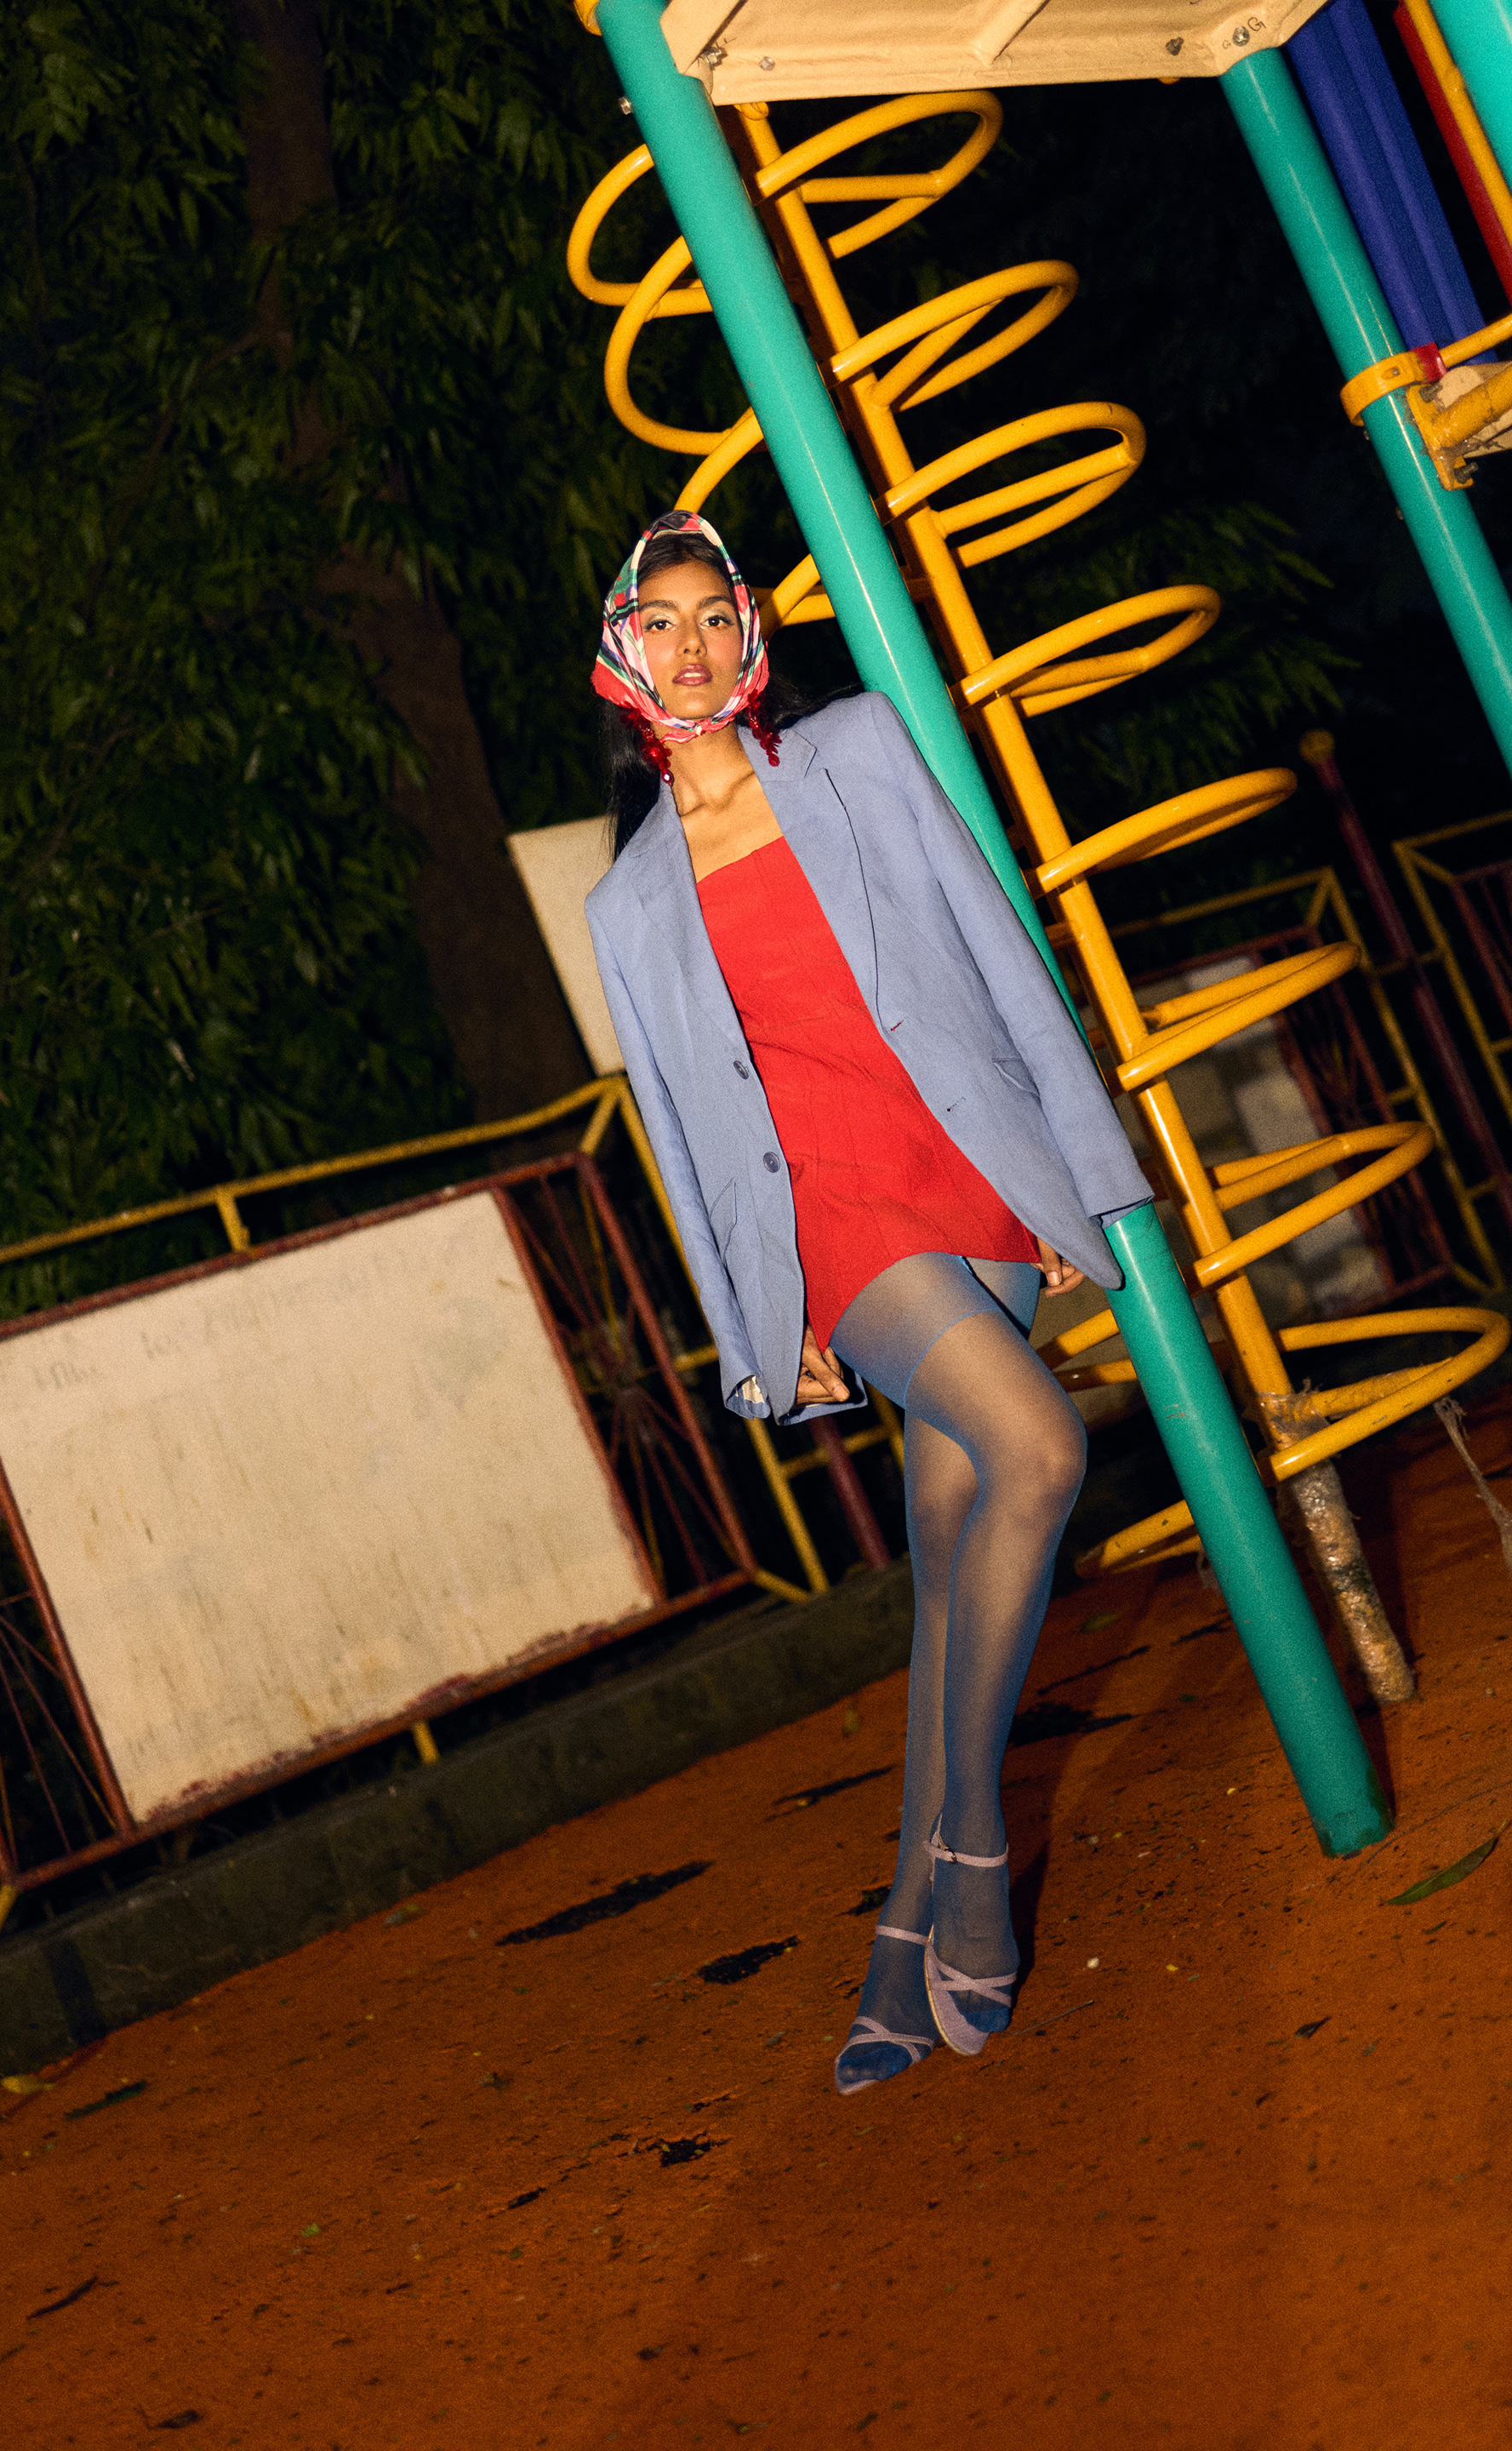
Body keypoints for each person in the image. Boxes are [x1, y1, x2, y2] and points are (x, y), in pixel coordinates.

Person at [585, 510, 1154, 2095]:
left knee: (953, 1550)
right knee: (1037, 1451)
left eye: (715, 615)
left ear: (748, 633)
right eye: (660, 622)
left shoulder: (861, 750)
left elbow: (996, 949)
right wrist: (762, 1327)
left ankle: (899, 1944)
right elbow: (687, 1146)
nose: (691, 645)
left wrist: (1072, 1172)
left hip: (967, 1165)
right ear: (623, 654)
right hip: (836, 1218)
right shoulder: (628, 907)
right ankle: (975, 1853)